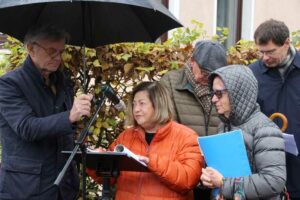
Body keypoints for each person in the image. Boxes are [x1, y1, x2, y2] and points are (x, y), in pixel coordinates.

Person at [0, 25, 93, 200]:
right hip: (26, 188)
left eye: (61, 51)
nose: (58, 58)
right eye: (52, 51)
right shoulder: (9, 84)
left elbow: (63, 132)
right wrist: (69, 116)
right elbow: (26, 127)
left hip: (63, 187)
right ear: (31, 49)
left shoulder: (63, 82)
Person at [87, 81, 204, 200]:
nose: (136, 109)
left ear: (158, 105)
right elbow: (107, 179)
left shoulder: (187, 137)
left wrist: (152, 162)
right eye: (134, 104)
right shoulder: (126, 136)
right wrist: (96, 161)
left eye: (142, 103)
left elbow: (189, 180)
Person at [200, 65, 286, 199]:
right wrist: (208, 178)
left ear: (237, 93)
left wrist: (224, 184)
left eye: (219, 93)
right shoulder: (223, 125)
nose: (213, 99)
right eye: (213, 93)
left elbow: (274, 182)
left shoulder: (266, 129)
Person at [160, 40, 227, 199]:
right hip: (182, 170)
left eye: (212, 73)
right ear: (192, 61)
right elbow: (164, 127)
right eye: (203, 72)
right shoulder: (170, 82)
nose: (207, 77)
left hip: (215, 173)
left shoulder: (223, 87)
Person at [249, 19, 300, 199]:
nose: (265, 58)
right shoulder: (252, 74)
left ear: (287, 43)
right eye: (261, 52)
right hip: (265, 166)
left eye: (270, 51)